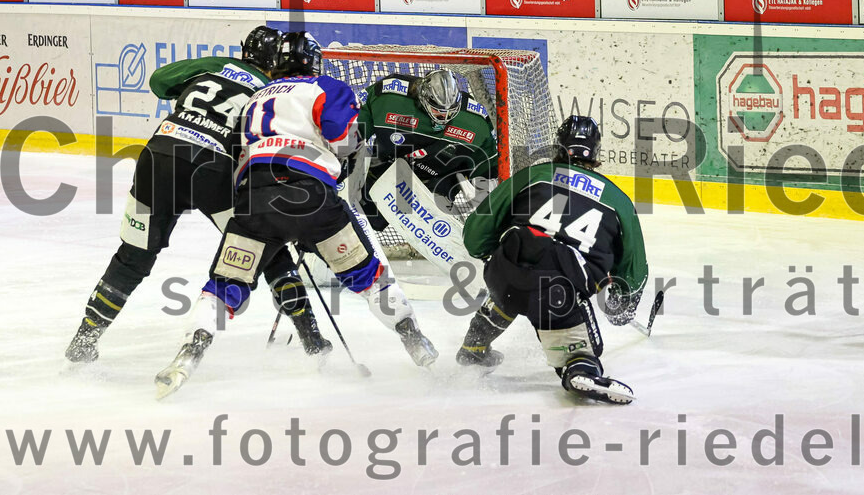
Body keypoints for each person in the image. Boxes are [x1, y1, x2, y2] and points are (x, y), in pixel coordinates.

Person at [154, 33, 437, 397]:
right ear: (314, 63)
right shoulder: (326, 88)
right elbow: (346, 139)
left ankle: (189, 354)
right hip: (313, 199)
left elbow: (237, 150)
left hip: (254, 203)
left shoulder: (256, 97)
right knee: (369, 279)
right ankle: (415, 342)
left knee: (224, 287)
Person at [65, 26, 331, 365]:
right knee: (266, 248)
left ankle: (85, 339)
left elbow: (160, 81)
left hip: (157, 155)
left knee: (134, 256)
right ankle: (311, 337)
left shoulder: (215, 65)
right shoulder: (273, 91)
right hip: (211, 167)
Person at [456, 115, 649, 404]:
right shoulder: (619, 200)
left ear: (558, 148)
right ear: (595, 154)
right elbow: (633, 270)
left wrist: (492, 255)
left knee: (517, 266)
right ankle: (578, 367)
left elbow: (475, 235)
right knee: (560, 301)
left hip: (504, 273)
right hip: (559, 290)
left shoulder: (530, 176)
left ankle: (474, 347)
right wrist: (621, 306)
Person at [357, 68, 499, 229]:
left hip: (437, 179)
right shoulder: (388, 96)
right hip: (389, 168)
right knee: (373, 220)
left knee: (433, 225)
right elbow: (354, 130)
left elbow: (488, 169)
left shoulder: (476, 122)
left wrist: (490, 206)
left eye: (451, 112)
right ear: (423, 98)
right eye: (438, 112)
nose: (444, 118)